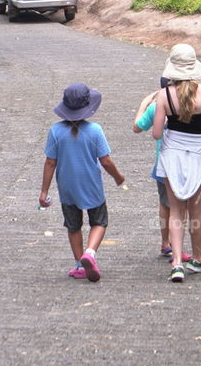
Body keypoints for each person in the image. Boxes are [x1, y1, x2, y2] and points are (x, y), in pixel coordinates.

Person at [152, 44, 201, 282]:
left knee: (176, 211)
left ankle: (176, 263)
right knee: (197, 211)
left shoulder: (164, 95)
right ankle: (198, 258)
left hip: (172, 153)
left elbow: (155, 133)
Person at [39, 82, 125, 282]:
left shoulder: (55, 131)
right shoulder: (95, 130)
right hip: (91, 186)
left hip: (67, 188)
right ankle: (90, 253)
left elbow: (50, 163)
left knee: (73, 225)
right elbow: (106, 160)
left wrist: (44, 192)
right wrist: (118, 177)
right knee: (99, 221)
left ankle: (79, 264)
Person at [132, 78, 191, 263]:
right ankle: (176, 246)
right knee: (182, 206)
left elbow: (137, 127)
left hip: (163, 163)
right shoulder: (190, 104)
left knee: (166, 204)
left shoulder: (156, 106)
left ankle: (166, 242)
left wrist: (144, 104)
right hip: (186, 162)